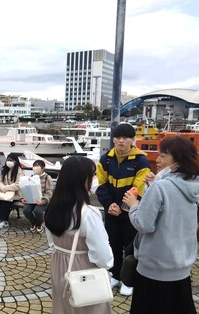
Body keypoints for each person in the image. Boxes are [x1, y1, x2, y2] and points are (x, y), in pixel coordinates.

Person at [122, 136, 199, 314]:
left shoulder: (160, 187)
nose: (157, 160)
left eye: (163, 156)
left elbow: (144, 224)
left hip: (154, 269)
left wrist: (134, 205)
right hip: (182, 268)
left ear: (177, 162)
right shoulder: (192, 183)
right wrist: (152, 183)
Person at [45, 156, 113, 314]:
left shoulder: (52, 208)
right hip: (82, 267)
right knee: (90, 307)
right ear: (83, 179)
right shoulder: (88, 214)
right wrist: (107, 267)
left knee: (63, 306)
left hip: (58, 264)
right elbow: (102, 255)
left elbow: (51, 242)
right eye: (92, 175)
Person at [96, 123, 150, 296]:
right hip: (111, 211)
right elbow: (101, 183)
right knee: (112, 243)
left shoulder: (140, 160)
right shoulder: (106, 159)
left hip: (130, 213)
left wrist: (123, 207)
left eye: (125, 137)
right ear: (113, 139)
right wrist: (109, 204)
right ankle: (116, 274)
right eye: (118, 137)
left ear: (132, 140)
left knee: (131, 247)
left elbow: (138, 187)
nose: (121, 141)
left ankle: (129, 280)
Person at [0, 153, 24, 230]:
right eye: (8, 160)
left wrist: (6, 188)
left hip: (15, 194)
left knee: (6, 201)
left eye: (11, 160)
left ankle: (3, 221)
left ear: (15, 161)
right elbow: (0, 181)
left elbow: (18, 185)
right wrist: (2, 187)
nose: (9, 162)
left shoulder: (19, 171)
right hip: (4, 192)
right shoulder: (4, 170)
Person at [20, 160, 53, 233]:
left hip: (43, 200)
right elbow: (27, 189)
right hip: (32, 199)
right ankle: (33, 222)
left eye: (37, 166)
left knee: (37, 211)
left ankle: (39, 224)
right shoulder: (32, 177)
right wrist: (23, 198)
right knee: (26, 210)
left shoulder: (47, 178)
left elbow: (49, 192)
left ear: (43, 168)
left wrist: (43, 201)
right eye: (34, 166)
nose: (35, 167)